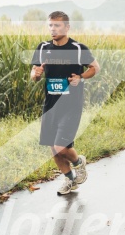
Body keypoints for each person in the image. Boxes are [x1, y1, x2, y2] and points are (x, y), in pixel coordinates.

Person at [31, 11, 101, 195]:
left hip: (71, 105)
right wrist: (35, 75)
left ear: (67, 27)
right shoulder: (43, 47)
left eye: (57, 26)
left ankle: (79, 162)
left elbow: (95, 68)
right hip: (51, 105)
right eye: (50, 26)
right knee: (53, 148)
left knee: (61, 146)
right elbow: (34, 74)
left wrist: (81, 76)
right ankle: (70, 180)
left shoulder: (78, 49)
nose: (53, 29)